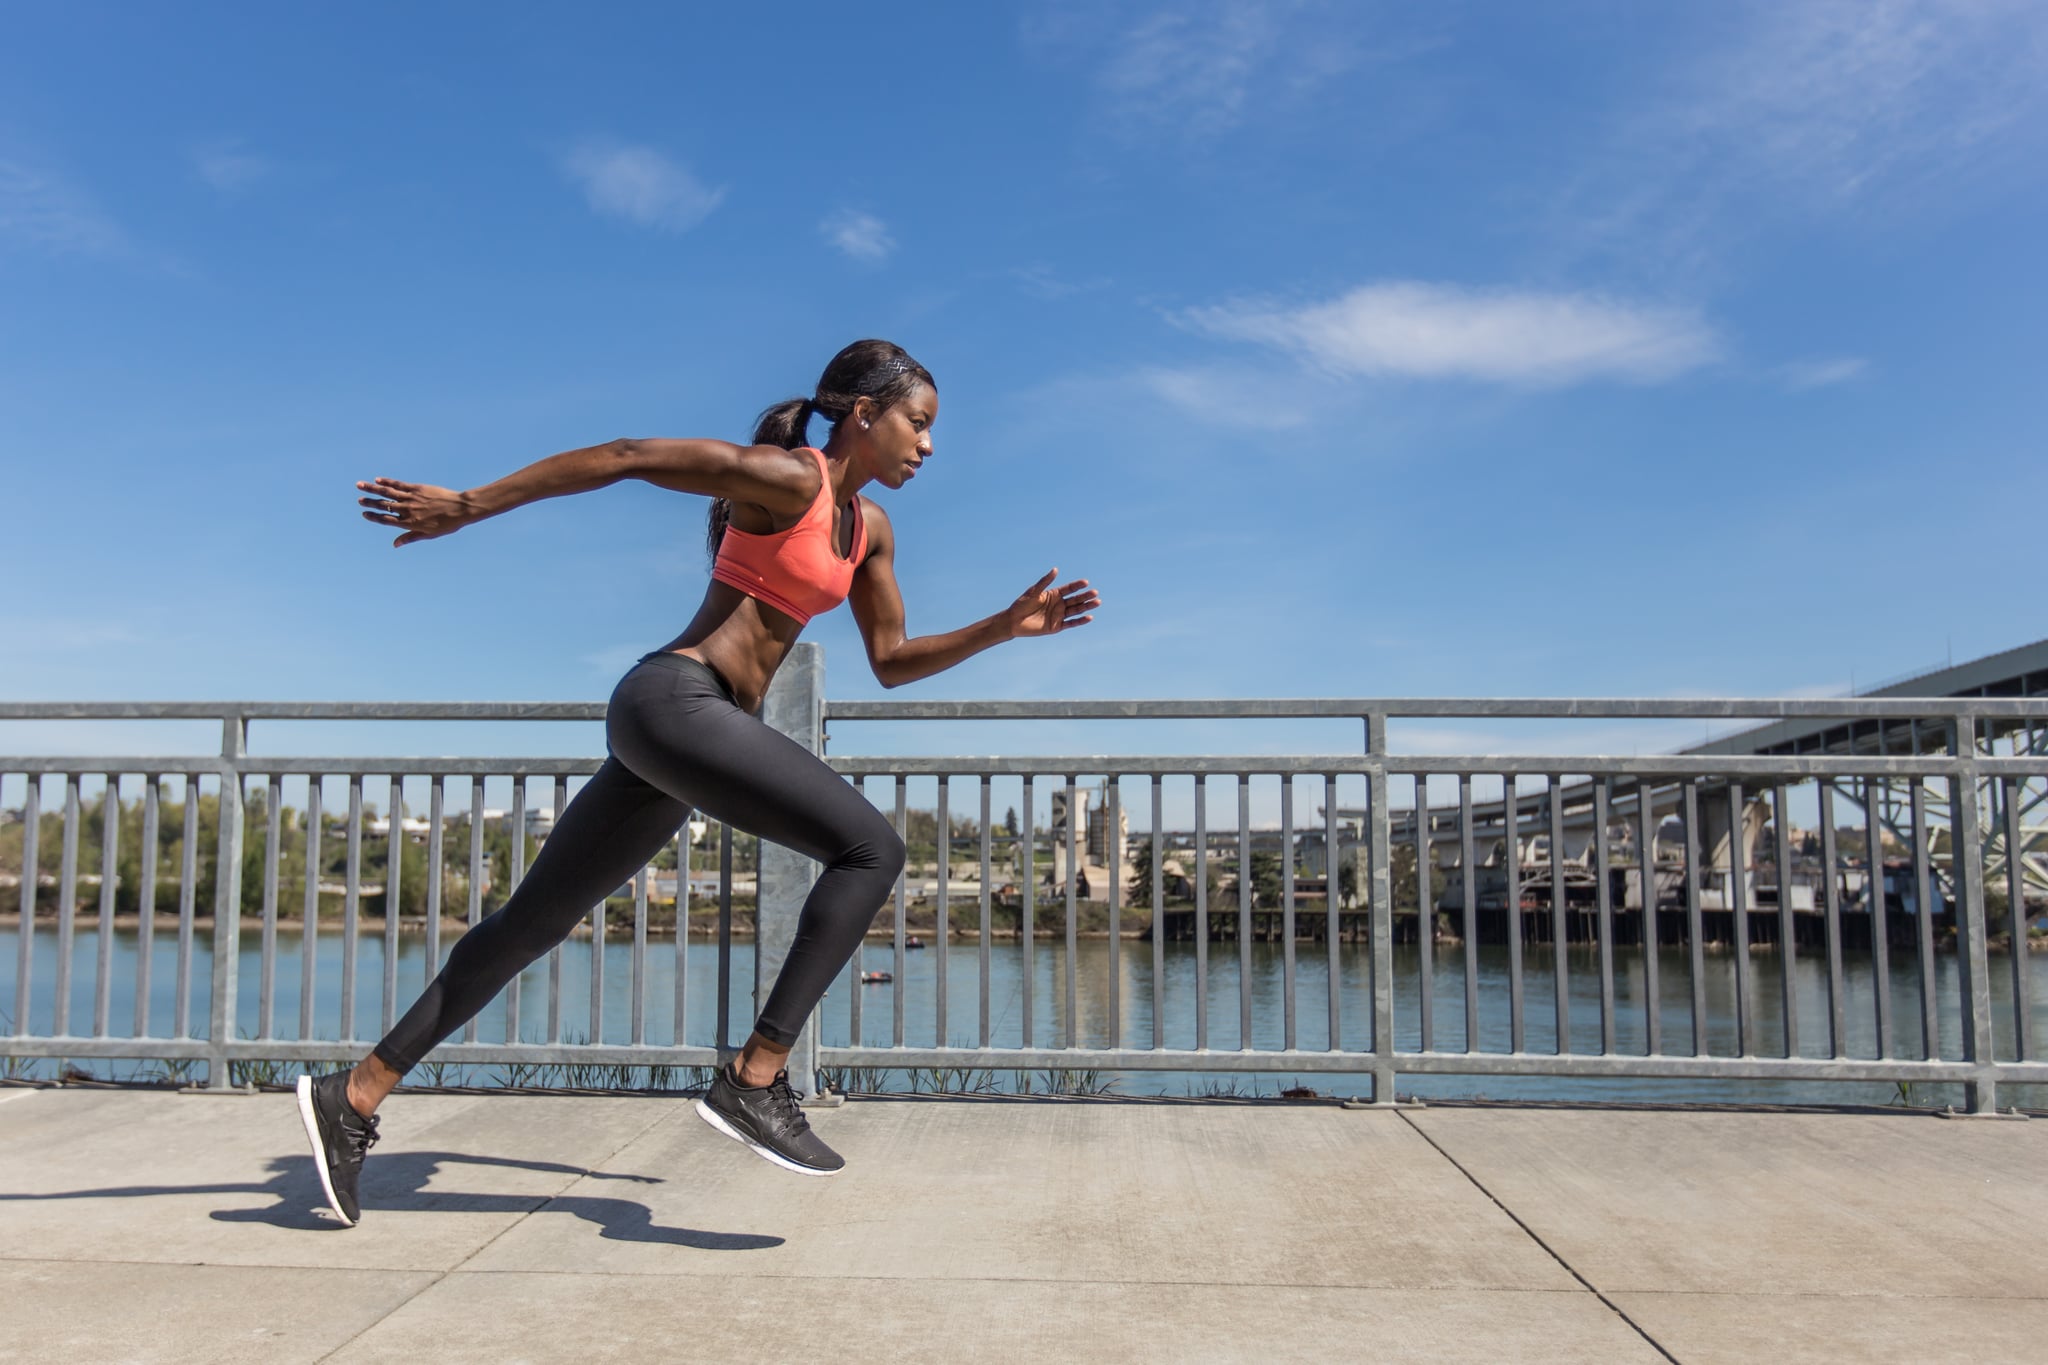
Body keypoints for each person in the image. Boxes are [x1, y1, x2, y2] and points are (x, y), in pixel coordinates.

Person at [296, 340, 1100, 1226]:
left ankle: (354, 1095)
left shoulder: (868, 530)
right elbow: (628, 458)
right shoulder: (787, 480)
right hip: (676, 700)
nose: (930, 445)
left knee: (530, 923)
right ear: (864, 414)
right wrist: (469, 504)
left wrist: (1003, 627)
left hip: (688, 732)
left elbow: (893, 661)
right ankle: (756, 1077)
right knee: (873, 848)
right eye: (920, 422)